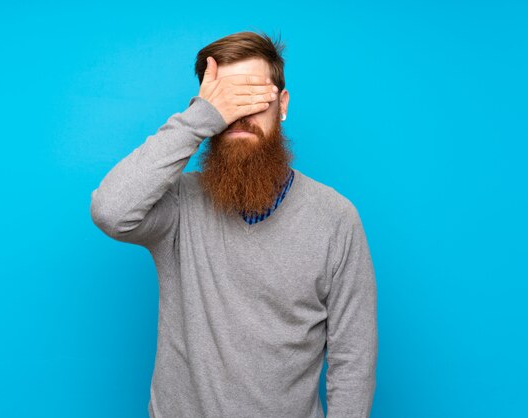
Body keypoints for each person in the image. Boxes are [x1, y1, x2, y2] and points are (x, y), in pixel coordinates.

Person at [90, 31, 378, 418]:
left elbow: (353, 358)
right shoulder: (177, 205)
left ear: (283, 104)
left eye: (255, 97)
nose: (240, 114)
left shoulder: (335, 218)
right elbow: (111, 211)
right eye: (228, 100)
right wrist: (198, 119)